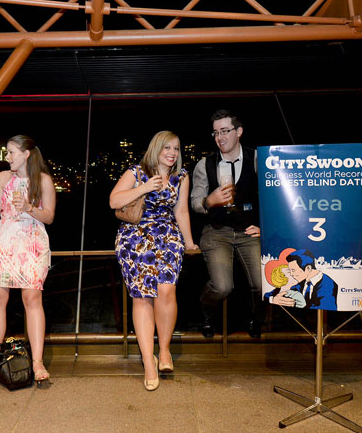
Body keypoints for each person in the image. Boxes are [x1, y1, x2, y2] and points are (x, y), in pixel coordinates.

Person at [110, 130, 198, 391]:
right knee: (142, 297)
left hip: (167, 235)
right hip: (135, 237)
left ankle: (166, 350)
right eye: (167, 148)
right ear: (156, 149)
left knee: (167, 291)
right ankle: (149, 361)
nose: (172, 153)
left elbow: (181, 210)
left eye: (176, 148)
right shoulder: (136, 172)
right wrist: (145, 187)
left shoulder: (182, 176)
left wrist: (189, 240)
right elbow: (114, 200)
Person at [0, 135, 56, 384]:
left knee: (32, 297)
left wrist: (29, 207)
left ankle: (37, 362)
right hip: (3, 240)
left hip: (31, 240)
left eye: (10, 153)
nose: (6, 157)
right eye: (6, 153)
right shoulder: (3, 178)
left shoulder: (43, 180)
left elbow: (49, 217)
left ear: (26, 154)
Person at [190, 110, 264, 338]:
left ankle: (256, 318)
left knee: (263, 285)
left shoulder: (258, 160)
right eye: (215, 133)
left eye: (225, 131)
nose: (219, 137)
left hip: (248, 231)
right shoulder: (205, 165)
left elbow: (274, 198)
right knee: (222, 286)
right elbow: (195, 202)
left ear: (239, 132)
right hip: (216, 231)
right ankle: (205, 314)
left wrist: (265, 227)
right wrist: (208, 201)